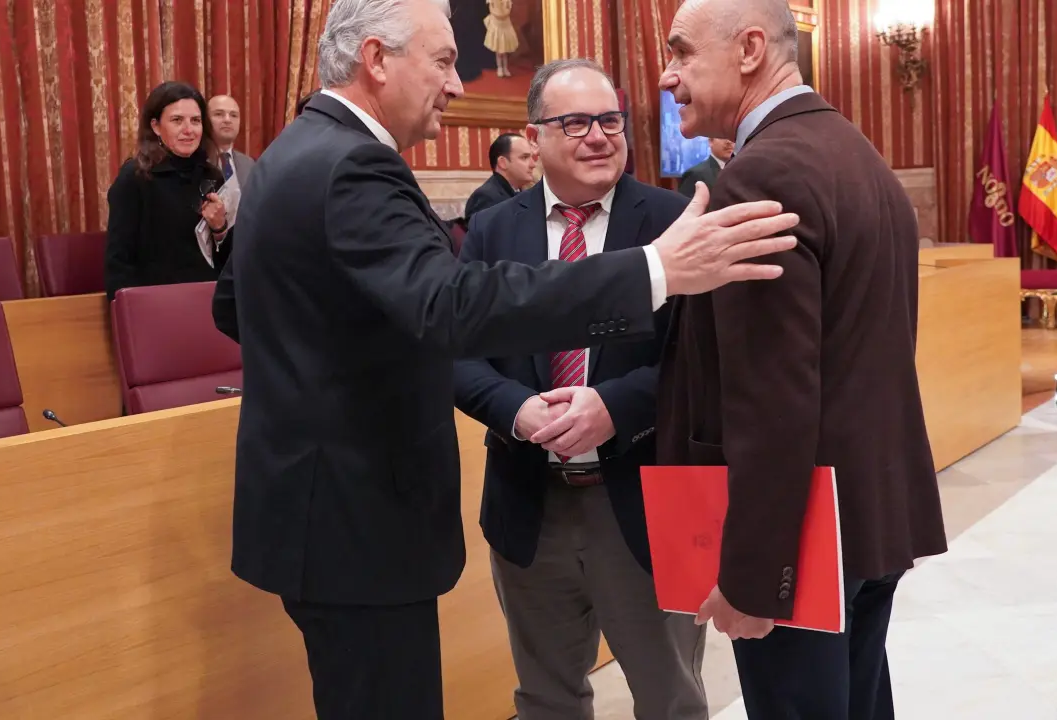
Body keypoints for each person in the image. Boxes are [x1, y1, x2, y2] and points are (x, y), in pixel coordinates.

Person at [212, 0, 798, 717]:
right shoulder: (357, 166)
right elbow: (450, 308)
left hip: (320, 511)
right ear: (376, 60)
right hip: (359, 515)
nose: (456, 84)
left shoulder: (286, 154)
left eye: (609, 120)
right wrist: (653, 271)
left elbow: (233, 308)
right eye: (443, 60)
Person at [655, 0, 949, 718]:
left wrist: (757, 577)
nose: (667, 76)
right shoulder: (853, 150)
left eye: (682, 52)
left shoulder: (763, 177)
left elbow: (772, 400)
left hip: (801, 536)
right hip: (867, 510)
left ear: (750, 48)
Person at [453, 59, 707, 720]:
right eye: (575, 123)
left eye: (610, 120)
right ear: (534, 137)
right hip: (529, 503)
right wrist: (513, 409)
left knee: (671, 699)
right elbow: (453, 349)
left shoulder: (674, 221)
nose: (598, 136)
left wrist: (616, 407)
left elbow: (706, 361)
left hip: (645, 501)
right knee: (546, 700)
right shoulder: (493, 229)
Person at [105, 81, 229, 299]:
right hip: (155, 303)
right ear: (155, 126)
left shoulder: (212, 176)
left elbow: (229, 262)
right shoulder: (135, 177)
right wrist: (130, 311)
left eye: (196, 121)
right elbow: (119, 262)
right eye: (177, 120)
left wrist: (220, 229)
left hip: (207, 301)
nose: (188, 130)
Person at [463, 132, 536, 222]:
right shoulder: (486, 197)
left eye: (531, 158)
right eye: (524, 157)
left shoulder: (522, 193)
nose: (533, 164)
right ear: (503, 163)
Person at [207, 95, 256, 185]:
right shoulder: (196, 162)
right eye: (219, 114)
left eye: (234, 115)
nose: (227, 120)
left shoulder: (248, 164)